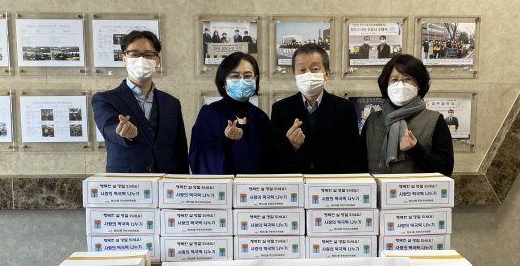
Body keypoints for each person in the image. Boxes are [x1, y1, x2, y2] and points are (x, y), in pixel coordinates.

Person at [92, 30, 189, 173]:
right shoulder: (105, 99)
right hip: (127, 180)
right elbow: (108, 128)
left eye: (148, 55)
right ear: (124, 59)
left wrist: (183, 180)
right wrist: (123, 133)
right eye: (134, 54)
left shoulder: (171, 103)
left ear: (157, 61)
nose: (141, 60)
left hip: (165, 180)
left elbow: (180, 149)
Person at [266, 43, 362, 174]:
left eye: (315, 69)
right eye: (302, 70)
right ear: (294, 73)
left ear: (326, 74)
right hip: (296, 182)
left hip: (332, 183)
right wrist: (292, 145)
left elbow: (352, 155)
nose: (308, 74)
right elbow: (273, 156)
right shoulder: (281, 109)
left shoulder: (344, 108)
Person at [361, 53, 453, 175]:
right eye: (394, 80)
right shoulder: (373, 120)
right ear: (387, 84)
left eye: (407, 79)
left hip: (415, 187)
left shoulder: (434, 120)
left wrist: (415, 150)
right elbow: (358, 162)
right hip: (377, 186)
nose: (400, 84)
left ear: (419, 85)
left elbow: (446, 168)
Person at [189, 52, 269, 175]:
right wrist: (225, 141)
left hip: (256, 186)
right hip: (224, 186)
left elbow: (270, 160)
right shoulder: (209, 114)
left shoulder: (261, 117)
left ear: (256, 79)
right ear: (223, 81)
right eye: (235, 76)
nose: (242, 81)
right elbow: (199, 159)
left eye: (248, 76)